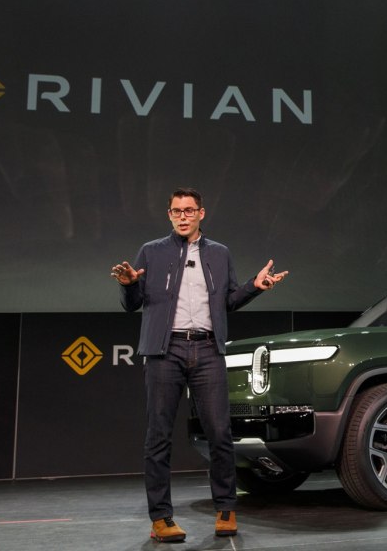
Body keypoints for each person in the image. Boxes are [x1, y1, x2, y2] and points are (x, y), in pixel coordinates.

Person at [111, 187, 287, 543]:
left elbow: (229, 301)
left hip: (207, 349)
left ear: (201, 214)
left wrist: (255, 286)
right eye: (176, 211)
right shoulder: (151, 251)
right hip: (165, 351)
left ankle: (226, 509)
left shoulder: (220, 253)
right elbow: (132, 304)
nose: (183, 216)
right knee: (158, 436)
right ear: (169, 214)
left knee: (220, 433)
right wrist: (129, 285)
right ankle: (161, 518)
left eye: (189, 210)